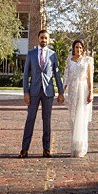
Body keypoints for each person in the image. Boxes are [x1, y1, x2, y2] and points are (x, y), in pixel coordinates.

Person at [20, 27, 63, 157]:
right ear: (38, 39)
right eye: (41, 38)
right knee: (30, 119)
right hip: (33, 92)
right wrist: (25, 92)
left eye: (45, 38)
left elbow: (57, 74)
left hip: (48, 92)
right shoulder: (31, 54)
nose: (43, 40)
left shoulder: (53, 55)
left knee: (47, 121)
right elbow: (26, 73)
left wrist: (61, 92)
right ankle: (24, 149)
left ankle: (46, 149)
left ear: (48, 40)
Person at [63, 38, 94, 157]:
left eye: (81, 47)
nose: (78, 49)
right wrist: (62, 90)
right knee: (73, 119)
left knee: (82, 119)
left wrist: (91, 92)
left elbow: (90, 78)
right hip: (72, 91)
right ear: (73, 48)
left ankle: (81, 147)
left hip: (83, 90)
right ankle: (74, 147)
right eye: (76, 47)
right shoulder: (69, 60)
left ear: (83, 49)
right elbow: (66, 76)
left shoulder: (87, 60)